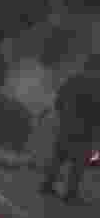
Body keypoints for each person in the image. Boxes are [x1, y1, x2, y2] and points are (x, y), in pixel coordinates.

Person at [40, 54, 100, 204]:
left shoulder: (73, 79)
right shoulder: (97, 84)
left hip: (67, 123)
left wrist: (63, 116)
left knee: (59, 156)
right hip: (85, 127)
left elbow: (59, 99)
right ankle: (70, 193)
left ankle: (47, 185)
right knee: (79, 161)